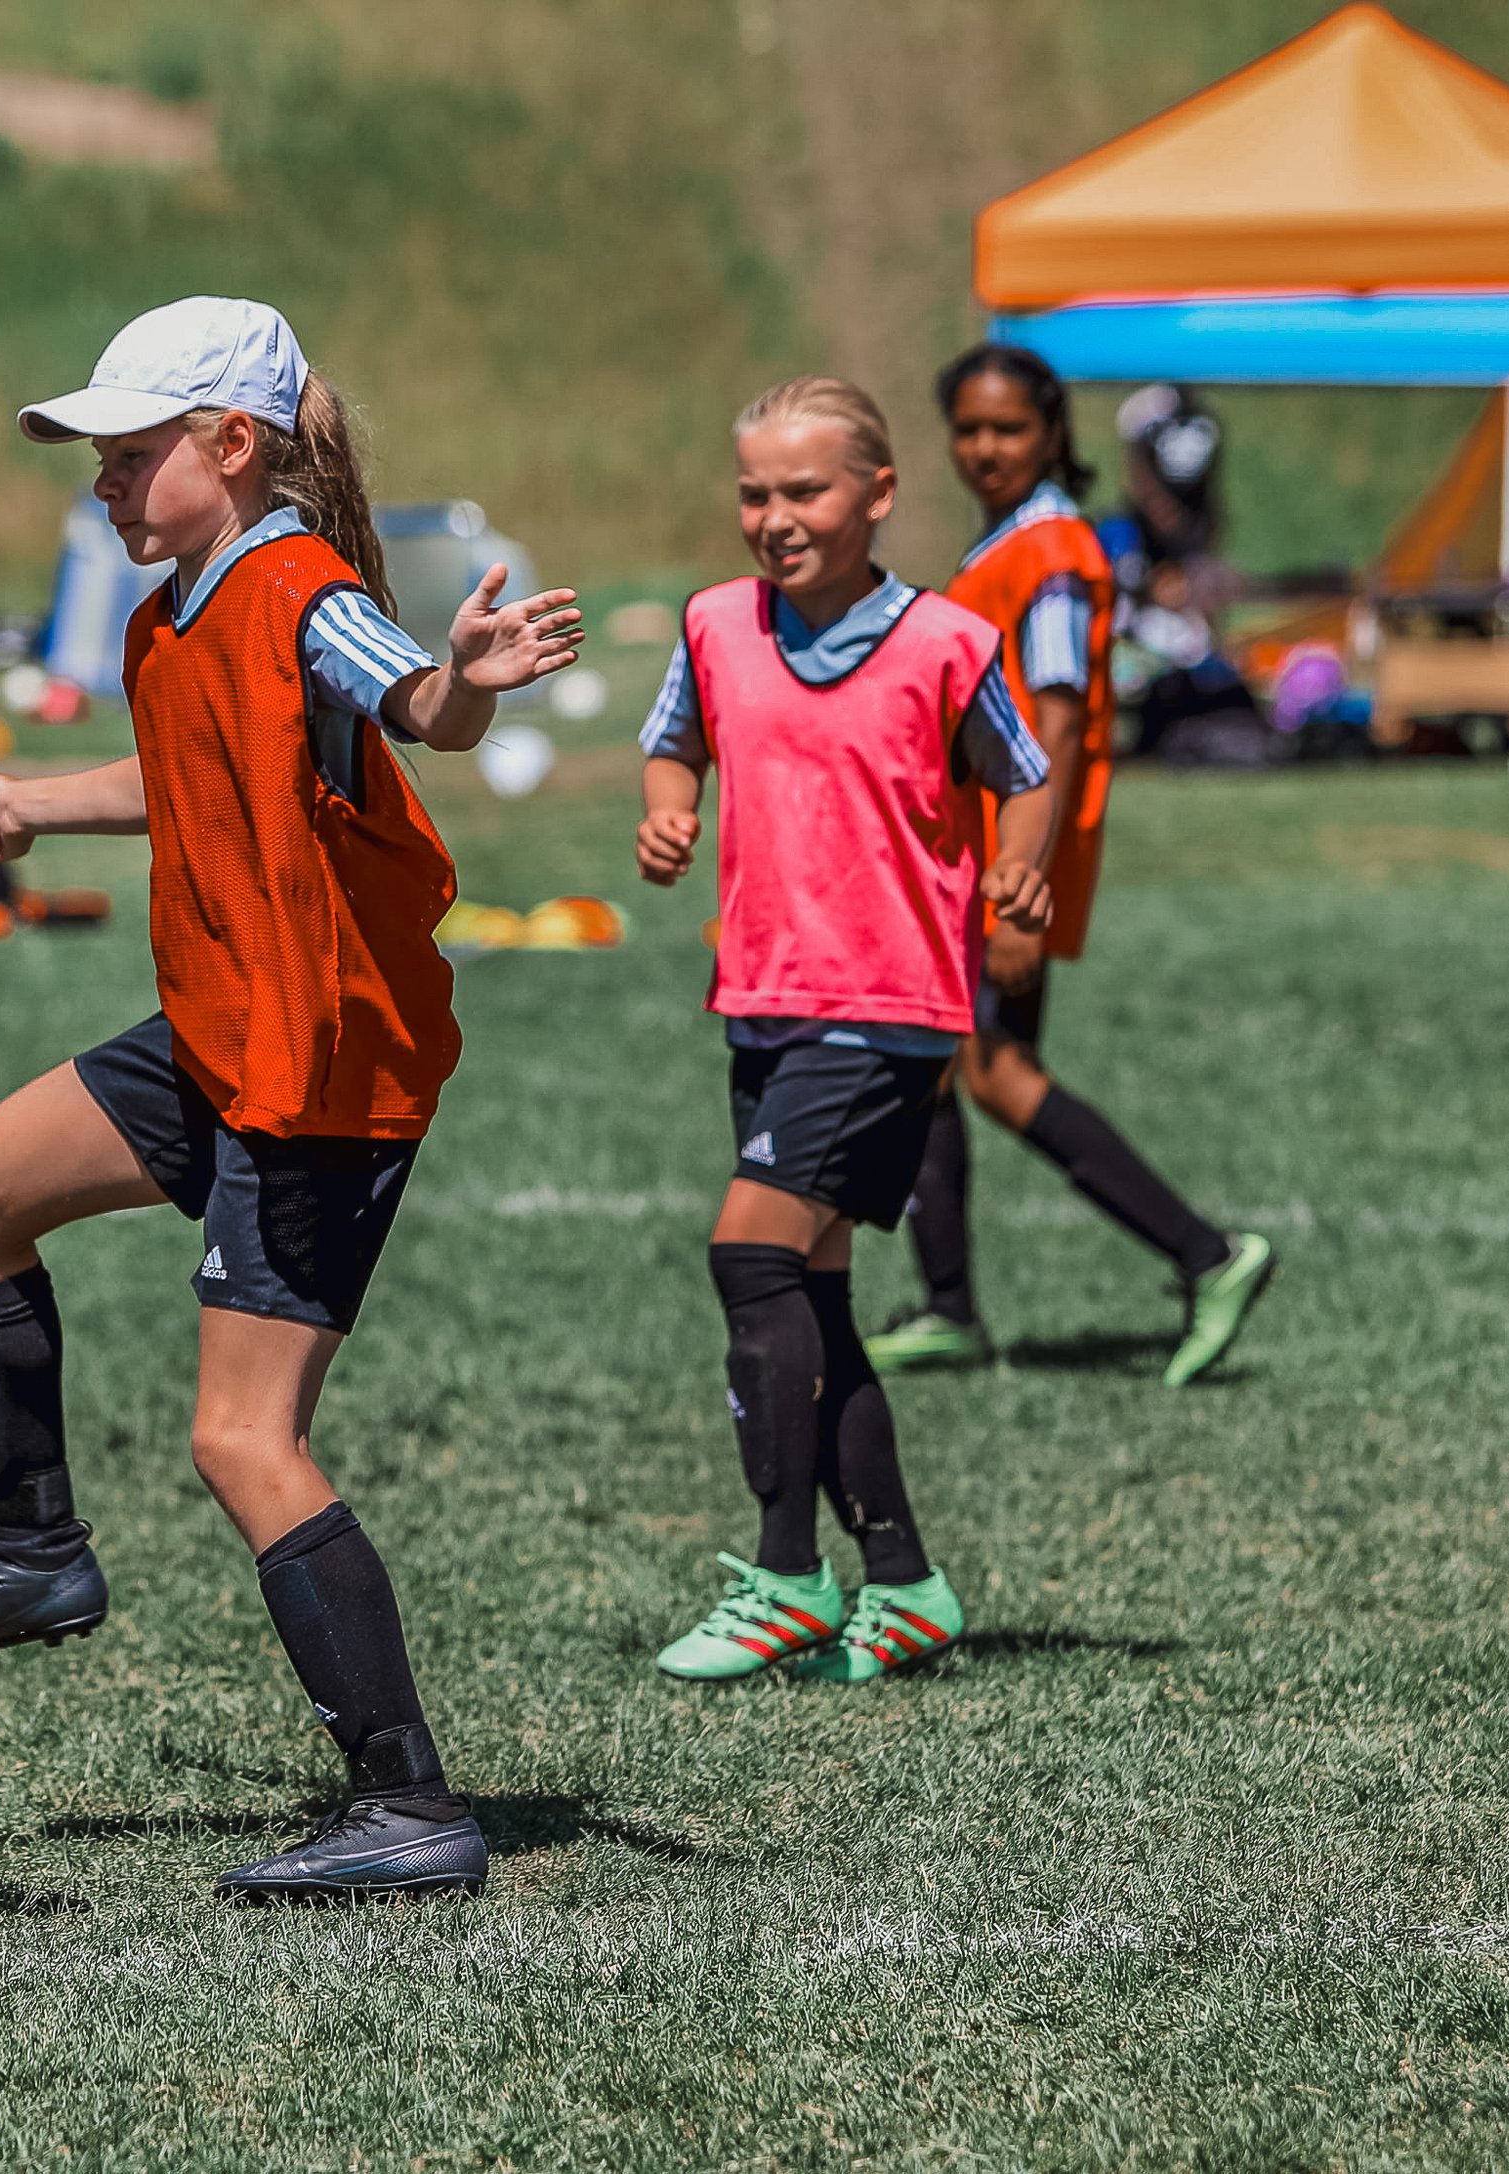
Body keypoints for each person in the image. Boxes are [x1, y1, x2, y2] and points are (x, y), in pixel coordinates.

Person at [0, 297, 582, 1899]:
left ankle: (411, 1804)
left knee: (245, 1440)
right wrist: (42, 797)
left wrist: (469, 681)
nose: (104, 487)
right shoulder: (175, 607)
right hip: (216, 1029)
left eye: (128, 455)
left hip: (323, 1063)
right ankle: (36, 1553)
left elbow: (411, 706)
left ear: (231, 447)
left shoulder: (299, 588)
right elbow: (193, 775)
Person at [634, 374, 1055, 1686]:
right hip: (760, 1001)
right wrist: (667, 807)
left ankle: (783, 1574)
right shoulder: (713, 625)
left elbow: (1024, 778)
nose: (775, 516)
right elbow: (677, 740)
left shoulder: (945, 642)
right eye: (755, 492)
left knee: (748, 1251)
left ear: (878, 494)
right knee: (812, 1295)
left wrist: (1022, 869)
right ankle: (907, 1580)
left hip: (890, 1013)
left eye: (804, 491)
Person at [863, 345, 1275, 1386]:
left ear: (1052, 430)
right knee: (943, 1065)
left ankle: (1207, 1253)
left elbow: (1050, 724)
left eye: (1007, 427)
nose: (985, 448)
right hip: (977, 848)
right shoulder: (1017, 539)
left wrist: (1016, 884)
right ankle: (949, 1303)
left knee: (995, 1072)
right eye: (967, 429)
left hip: (1007, 855)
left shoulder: (1047, 551)